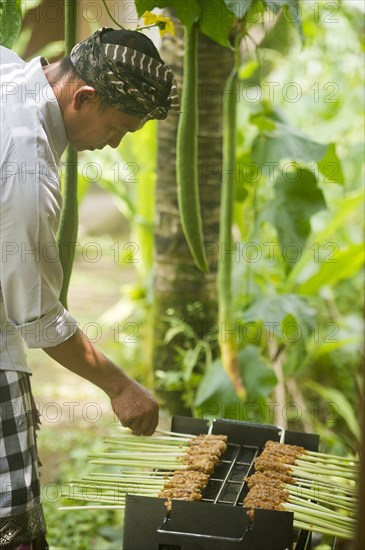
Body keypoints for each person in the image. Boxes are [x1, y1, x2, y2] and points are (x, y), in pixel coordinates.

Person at [0, 27, 179, 549]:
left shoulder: (11, 69)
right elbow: (36, 316)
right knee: (11, 528)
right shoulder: (27, 171)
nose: (113, 143)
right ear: (84, 97)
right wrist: (121, 387)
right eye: (118, 128)